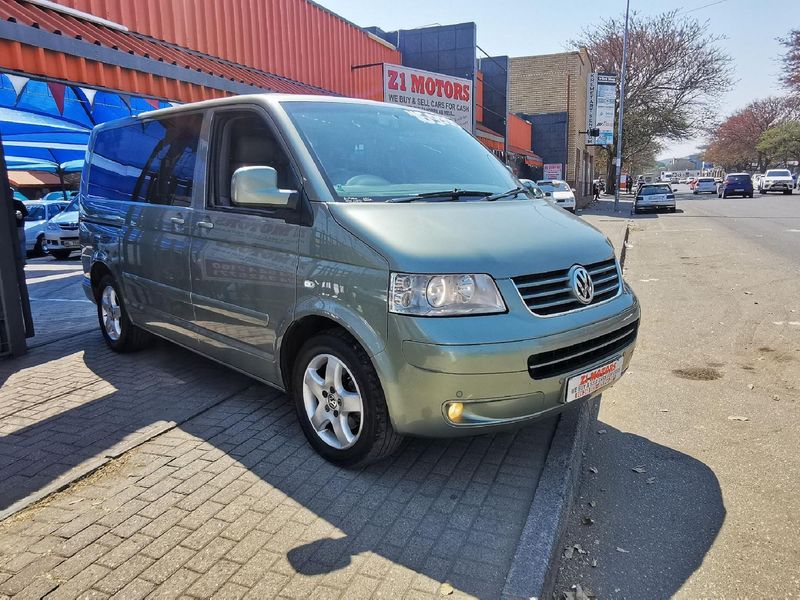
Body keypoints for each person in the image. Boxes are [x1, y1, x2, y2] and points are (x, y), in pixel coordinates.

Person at [11, 187, 27, 263]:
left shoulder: (3, 202)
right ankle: (22, 260)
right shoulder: (17, 202)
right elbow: (26, 213)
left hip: (11, 227)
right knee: (21, 243)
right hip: (19, 226)